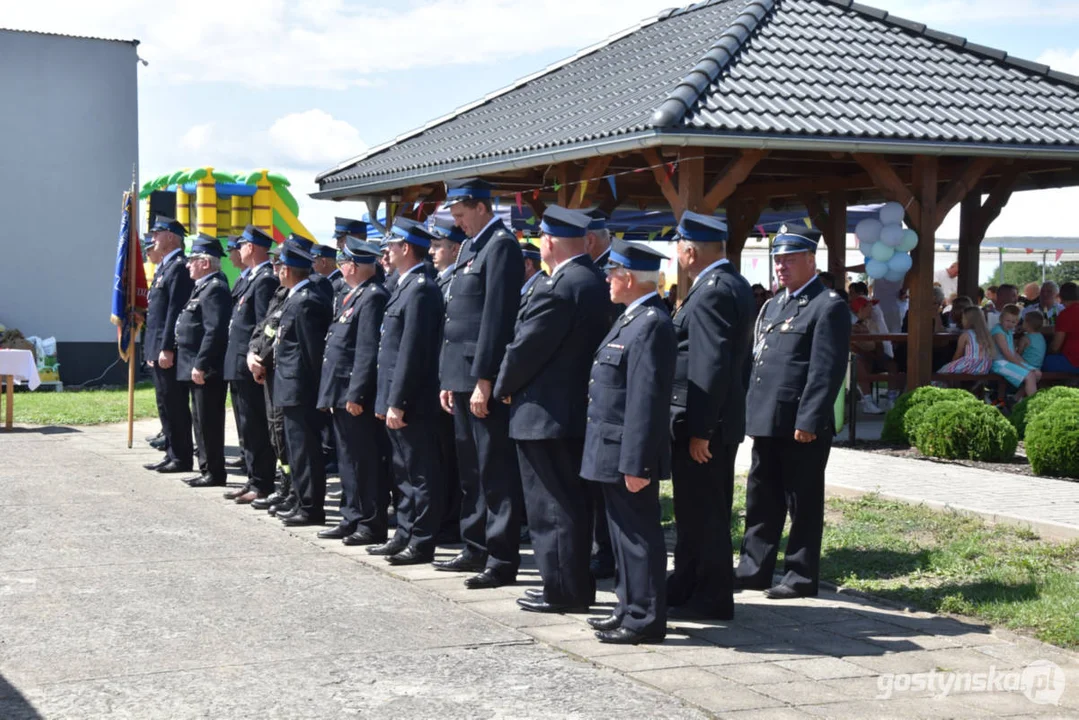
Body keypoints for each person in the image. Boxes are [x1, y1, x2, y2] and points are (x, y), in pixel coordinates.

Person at [492, 206, 611, 614]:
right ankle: (569, 586)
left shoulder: (560, 285)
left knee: (552, 508)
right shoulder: (591, 279)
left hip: (546, 414)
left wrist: (503, 386)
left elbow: (526, 347)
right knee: (570, 504)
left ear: (549, 241)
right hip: (570, 411)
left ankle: (562, 589)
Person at [734, 226, 850, 600]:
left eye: (789, 259)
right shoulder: (775, 304)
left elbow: (825, 370)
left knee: (802, 502)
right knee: (761, 497)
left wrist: (809, 419)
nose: (781, 267)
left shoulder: (827, 304)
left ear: (810, 260)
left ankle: (799, 575)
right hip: (768, 418)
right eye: (778, 259)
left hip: (800, 423)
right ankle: (754, 568)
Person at [581, 240, 676, 645]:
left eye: (613, 272)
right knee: (621, 537)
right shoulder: (630, 319)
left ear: (630, 278)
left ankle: (646, 617)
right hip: (610, 447)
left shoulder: (652, 323)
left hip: (627, 453)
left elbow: (646, 400)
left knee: (638, 537)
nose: (607, 279)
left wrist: (637, 462)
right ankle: (627, 605)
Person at [435, 179, 525, 590]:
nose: (458, 224)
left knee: (494, 470)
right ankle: (473, 545)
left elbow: (495, 319)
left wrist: (484, 379)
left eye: (460, 215)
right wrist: (449, 377)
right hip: (460, 375)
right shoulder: (472, 245)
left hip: (480, 377)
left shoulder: (500, 246)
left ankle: (501, 557)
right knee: (469, 468)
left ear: (481, 208)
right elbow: (457, 316)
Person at [665, 211, 753, 622]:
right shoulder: (723, 284)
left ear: (690, 249)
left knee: (706, 513)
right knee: (693, 509)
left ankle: (712, 594)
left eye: (679, 245)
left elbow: (710, 365)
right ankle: (686, 581)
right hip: (710, 420)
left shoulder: (714, 290)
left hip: (705, 424)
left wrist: (700, 429)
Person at [370, 221, 446, 565]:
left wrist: (398, 401)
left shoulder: (420, 288)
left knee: (420, 473)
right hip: (395, 396)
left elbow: (412, 351)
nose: (386, 252)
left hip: (413, 400)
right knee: (402, 472)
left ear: (406, 248)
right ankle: (404, 533)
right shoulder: (404, 285)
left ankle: (421, 540)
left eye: (393, 245)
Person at [316, 236, 391, 546]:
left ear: (358, 266)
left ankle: (370, 523)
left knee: (364, 461)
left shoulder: (372, 296)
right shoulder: (351, 295)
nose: (341, 266)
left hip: (354, 392)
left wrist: (356, 394)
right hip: (340, 389)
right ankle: (351, 517)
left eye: (345, 262)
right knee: (347, 459)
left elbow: (366, 350)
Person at [272, 241, 333, 526]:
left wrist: (317, 392)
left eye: (279, 266)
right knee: (296, 449)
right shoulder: (295, 297)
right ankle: (300, 500)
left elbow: (312, 352)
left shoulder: (307, 300)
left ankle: (310, 507)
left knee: (306, 450)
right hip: (288, 386)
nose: (277, 271)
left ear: (287, 269)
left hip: (301, 388)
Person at [222, 226, 279, 504]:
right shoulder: (249, 279)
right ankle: (253, 479)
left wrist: (258, 358)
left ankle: (263, 483)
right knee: (246, 427)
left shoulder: (265, 279)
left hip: (250, 365)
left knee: (255, 426)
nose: (238, 249)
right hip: (237, 363)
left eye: (242, 244)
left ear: (253, 247)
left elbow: (263, 325)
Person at [175, 234, 232, 489]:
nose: (188, 264)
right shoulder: (204, 286)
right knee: (200, 419)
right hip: (194, 364)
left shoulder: (215, 288)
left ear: (205, 263)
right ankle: (206, 468)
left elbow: (214, 330)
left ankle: (214, 472)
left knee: (208, 421)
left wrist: (201, 363)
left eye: (192, 260)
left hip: (205, 368)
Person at [142, 216, 195, 475]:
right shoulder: (165, 267)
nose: (153, 239)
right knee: (164, 403)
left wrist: (167, 347)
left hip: (167, 349)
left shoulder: (178, 268)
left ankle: (182, 456)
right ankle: (171, 452)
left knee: (174, 404)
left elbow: (174, 313)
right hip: (156, 347)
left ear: (171, 236)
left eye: (157, 233)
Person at [581, 210, 618, 581]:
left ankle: (604, 553)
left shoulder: (610, 273)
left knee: (605, 486)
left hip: (607, 397)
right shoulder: (596, 272)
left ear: (588, 240)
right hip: (592, 393)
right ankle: (599, 548)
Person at [428, 218, 466, 542]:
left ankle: (452, 521)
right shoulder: (441, 280)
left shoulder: (454, 282)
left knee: (451, 457)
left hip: (449, 378)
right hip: (440, 379)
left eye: (438, 245)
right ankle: (445, 517)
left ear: (455, 248)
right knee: (441, 454)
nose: (432, 251)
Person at [248, 252, 293, 514]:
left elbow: (280, 336)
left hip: (279, 374)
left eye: (280, 265)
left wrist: (262, 360)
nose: (275, 269)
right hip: (268, 372)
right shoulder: (279, 293)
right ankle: (285, 488)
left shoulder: (299, 295)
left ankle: (290, 489)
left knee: (284, 436)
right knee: (275, 434)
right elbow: (263, 328)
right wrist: (253, 353)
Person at [849, 296, 899, 414]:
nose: (872, 310)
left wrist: (875, 348)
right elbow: (856, 345)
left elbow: (878, 342)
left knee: (892, 364)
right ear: (861, 308)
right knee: (859, 363)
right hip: (860, 357)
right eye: (869, 307)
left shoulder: (872, 322)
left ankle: (891, 398)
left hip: (873, 355)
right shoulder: (850, 324)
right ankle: (867, 401)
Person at [990, 304, 1041, 402]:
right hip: (998, 363)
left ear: (1017, 322)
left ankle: (1015, 399)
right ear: (1001, 319)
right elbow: (1007, 355)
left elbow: (1014, 353)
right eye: (1007, 321)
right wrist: (1024, 368)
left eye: (1013, 322)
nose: (1010, 324)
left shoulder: (1009, 331)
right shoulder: (998, 332)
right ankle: (1035, 406)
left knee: (1037, 373)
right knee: (1030, 376)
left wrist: (1026, 365)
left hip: (1007, 361)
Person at [937, 307, 993, 376]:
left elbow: (958, 354)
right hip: (983, 366)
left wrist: (951, 364)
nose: (962, 320)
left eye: (963, 318)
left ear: (968, 320)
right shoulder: (986, 334)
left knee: (942, 371)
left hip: (969, 366)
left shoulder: (966, 335)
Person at [1044, 281, 1079, 374]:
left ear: (1060, 297)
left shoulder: (1065, 314)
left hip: (1073, 361)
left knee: (1043, 361)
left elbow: (1056, 347)